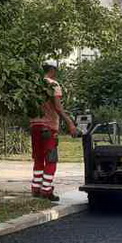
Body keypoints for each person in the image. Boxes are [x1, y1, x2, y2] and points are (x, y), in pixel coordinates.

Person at [30, 62, 77, 201]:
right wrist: (70, 123)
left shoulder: (34, 85)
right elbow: (57, 107)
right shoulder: (53, 85)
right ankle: (46, 190)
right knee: (51, 159)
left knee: (38, 158)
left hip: (34, 126)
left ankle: (36, 188)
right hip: (49, 128)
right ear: (52, 70)